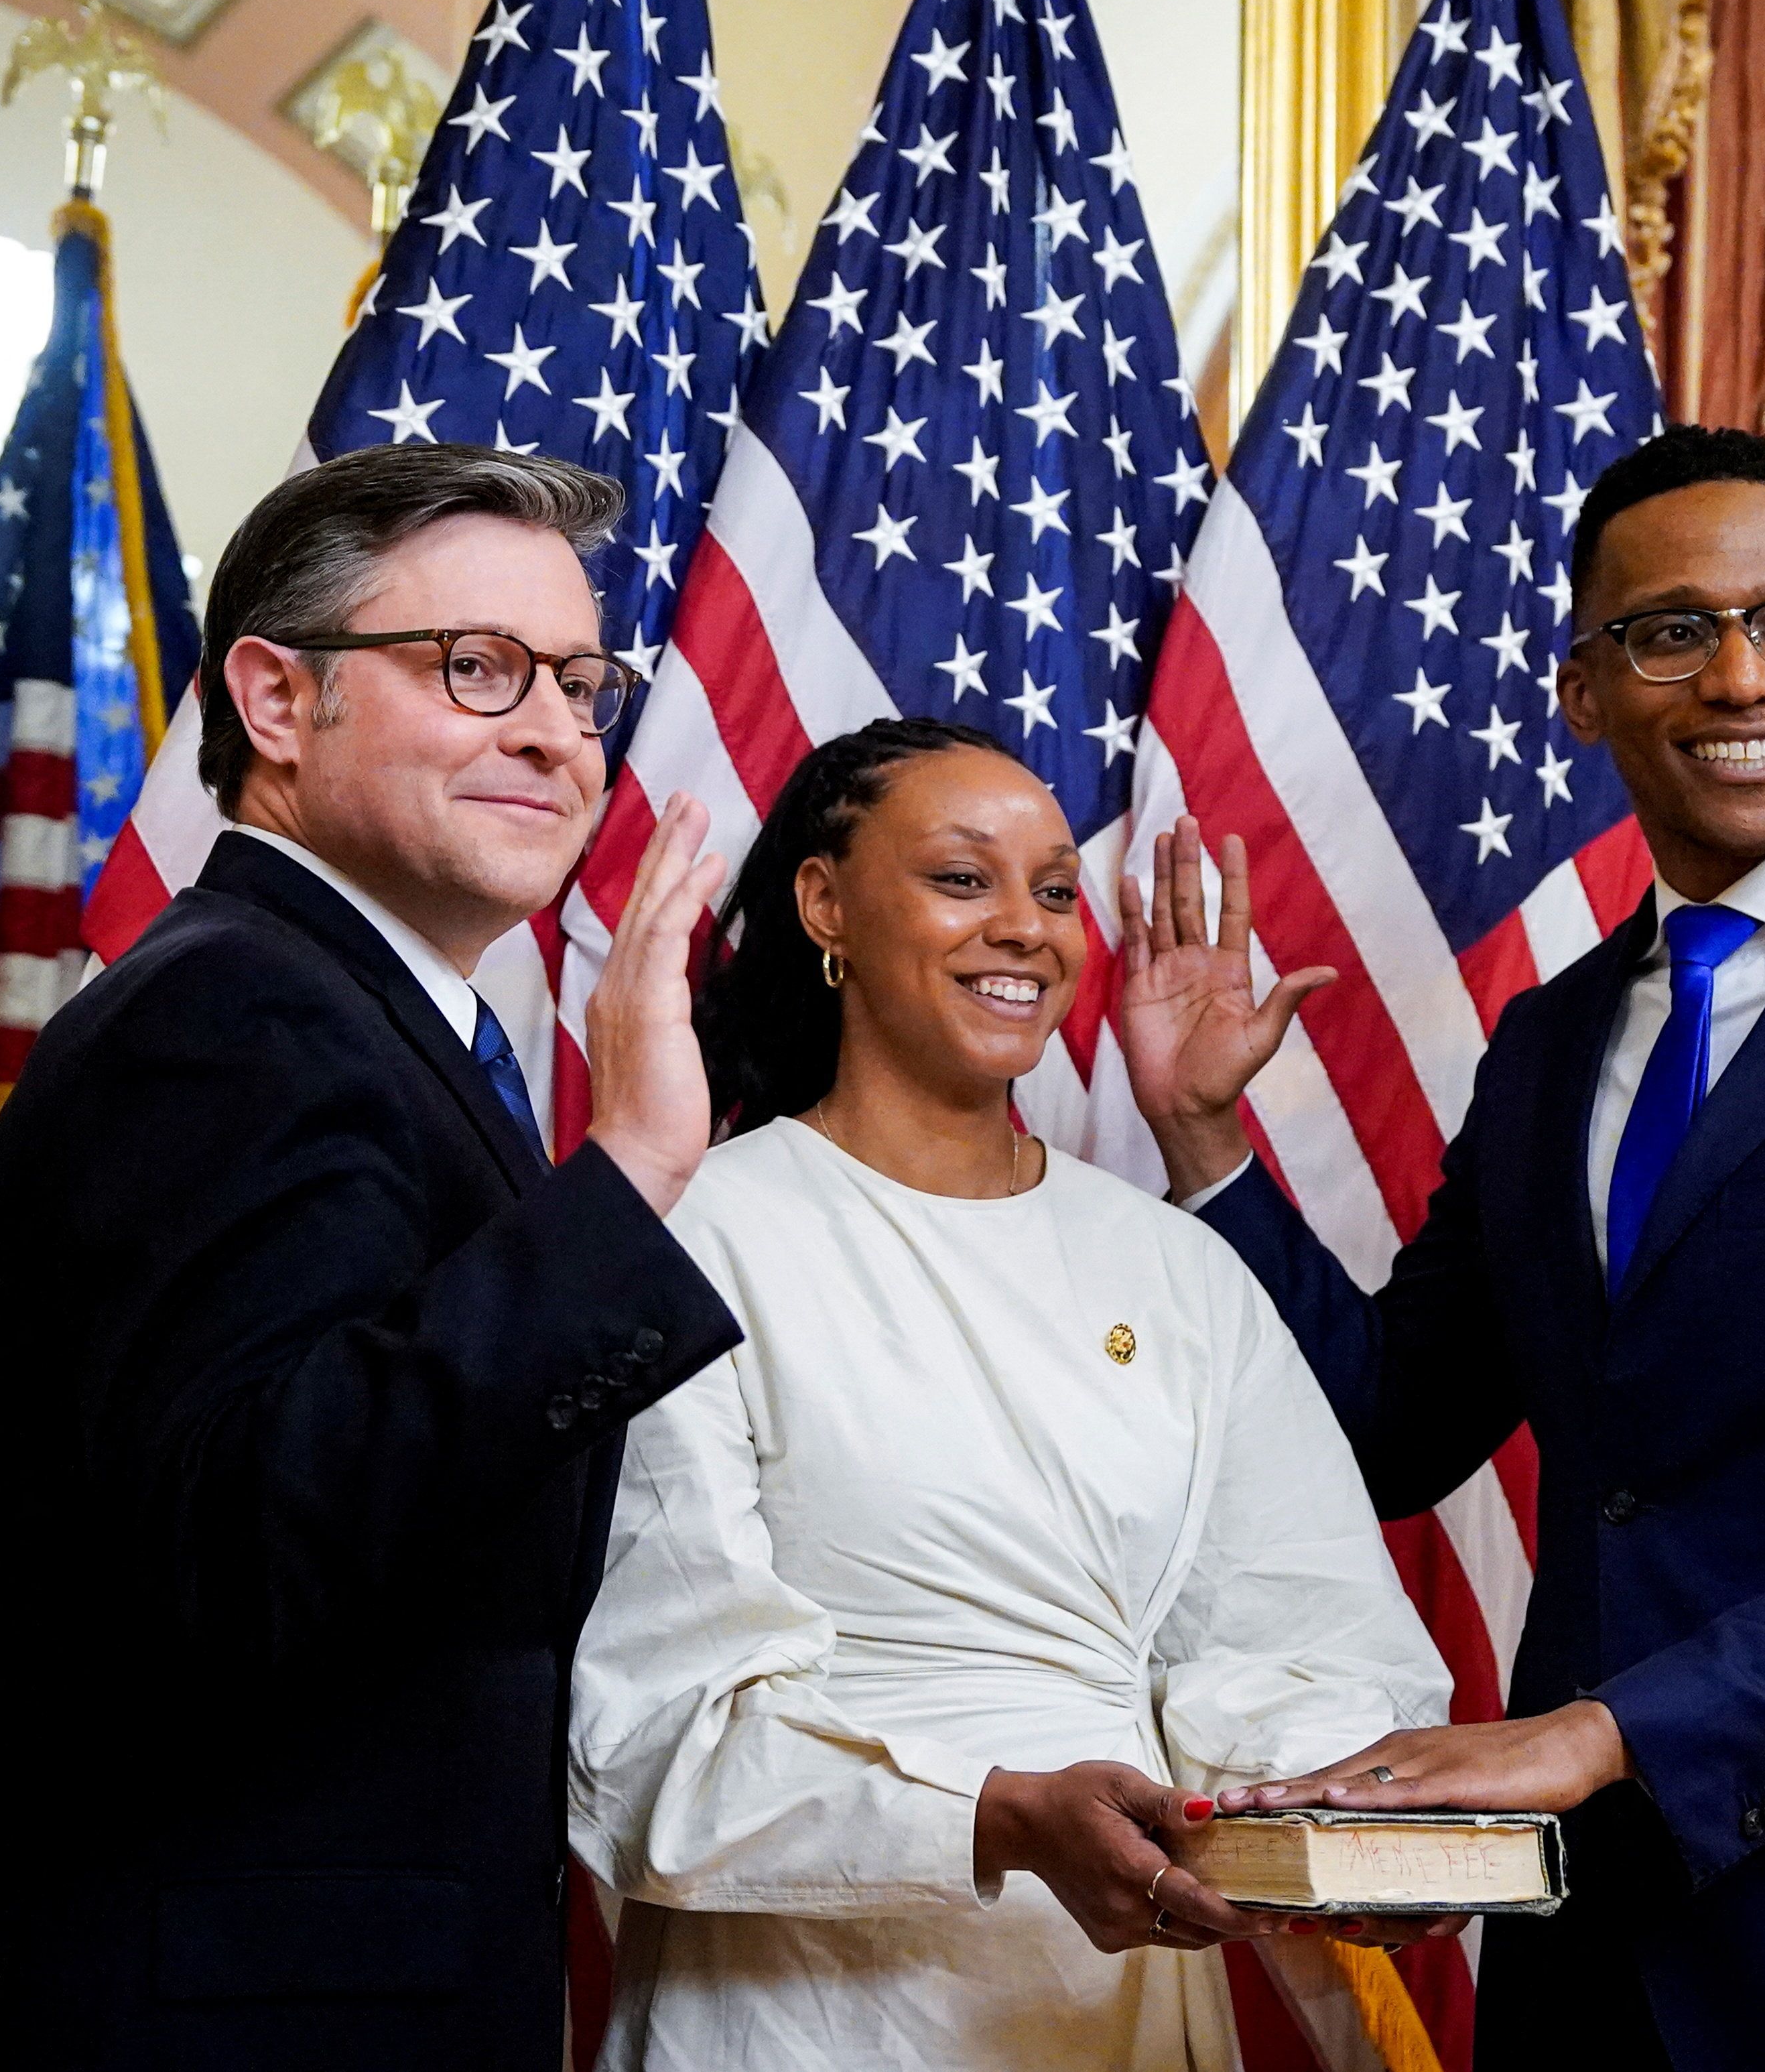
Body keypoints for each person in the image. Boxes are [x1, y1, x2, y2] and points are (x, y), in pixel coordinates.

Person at [1116, 426, 1765, 2071]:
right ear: (1582, 689)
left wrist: (1607, 1734)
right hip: (1600, 1940)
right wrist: (1205, 1137)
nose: (1740, 676)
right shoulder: (1550, 1043)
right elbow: (1393, 1422)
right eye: (1672, 630)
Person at [0, 445, 746, 2072]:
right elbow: (243, 1537)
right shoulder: (231, 1014)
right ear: (276, 701)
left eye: (579, 683)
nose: (559, 736)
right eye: (478, 670)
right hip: (214, 2011)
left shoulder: (358, 1014)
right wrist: (624, 1178)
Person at [564, 718, 1457, 2070]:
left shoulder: (1173, 1269)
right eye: (961, 878)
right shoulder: (700, 1237)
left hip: (1115, 2004)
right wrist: (997, 1817)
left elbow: (1295, 1635)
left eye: (1051, 890)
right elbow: (650, 1732)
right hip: (798, 2015)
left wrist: (1370, 1829)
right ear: (824, 906)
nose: (1025, 929)